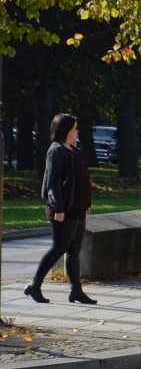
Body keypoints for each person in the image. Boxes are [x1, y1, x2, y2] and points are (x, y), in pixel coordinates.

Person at [27, 113, 96, 304]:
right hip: (63, 209)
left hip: (78, 208)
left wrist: (87, 204)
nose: (77, 131)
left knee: (74, 250)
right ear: (66, 130)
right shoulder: (56, 151)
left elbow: (83, 179)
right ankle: (34, 285)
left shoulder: (74, 150)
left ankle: (76, 291)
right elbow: (53, 183)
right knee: (59, 248)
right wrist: (58, 208)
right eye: (75, 128)